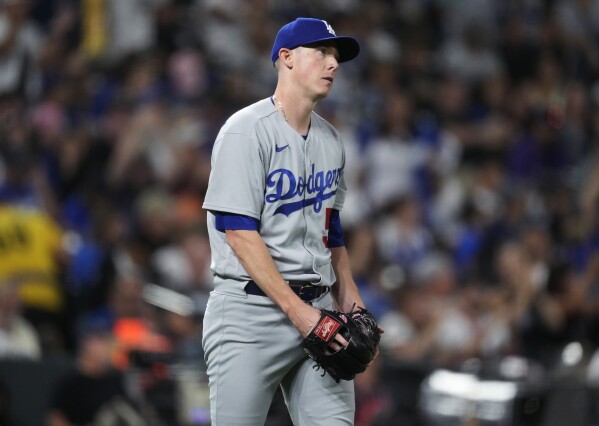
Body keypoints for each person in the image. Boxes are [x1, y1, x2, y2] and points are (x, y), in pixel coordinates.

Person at [202, 17, 377, 425]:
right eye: (322, 53)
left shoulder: (332, 141)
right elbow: (239, 233)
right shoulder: (245, 132)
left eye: (336, 56)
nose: (333, 64)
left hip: (318, 309)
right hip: (250, 315)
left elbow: (330, 228)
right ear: (286, 58)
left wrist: (349, 294)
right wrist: (299, 314)